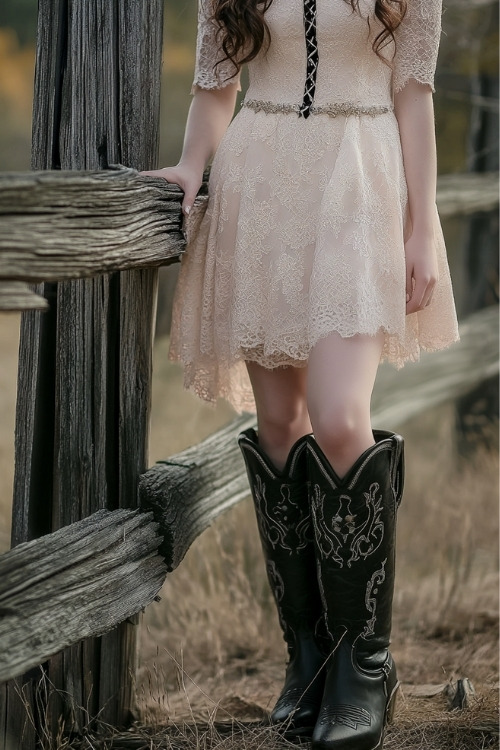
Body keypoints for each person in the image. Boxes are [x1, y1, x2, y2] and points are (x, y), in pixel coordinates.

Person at [142, 1, 459, 747]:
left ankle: (364, 664)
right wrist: (191, 167)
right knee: (280, 422)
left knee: (341, 414)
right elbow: (217, 85)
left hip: (359, 177)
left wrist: (424, 223)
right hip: (260, 184)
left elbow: (414, 94)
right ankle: (309, 657)